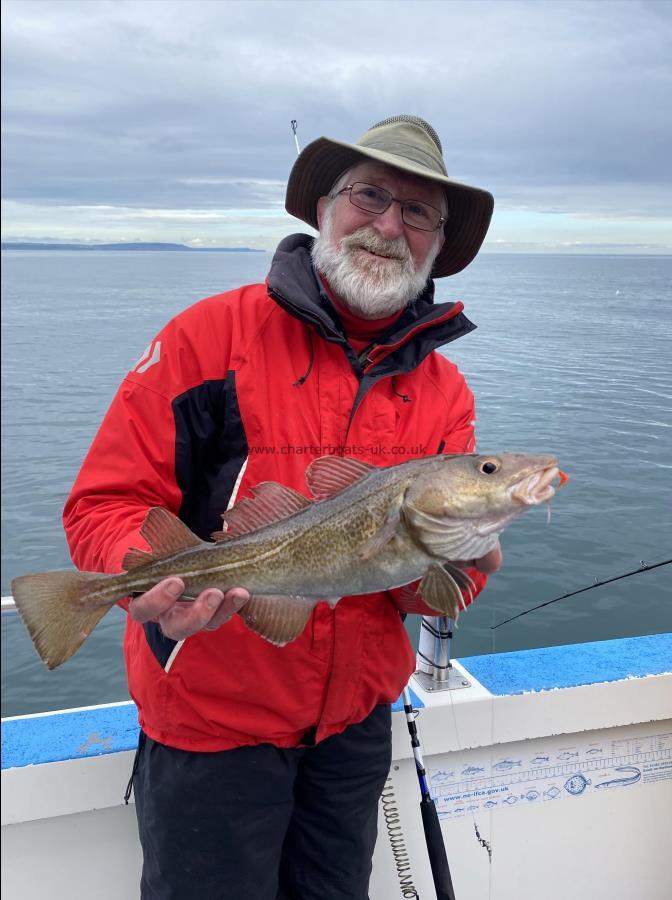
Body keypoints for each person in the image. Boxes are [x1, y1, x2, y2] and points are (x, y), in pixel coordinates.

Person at [63, 114, 500, 899]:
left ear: (438, 242)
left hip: (351, 733)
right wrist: (144, 581)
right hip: (209, 727)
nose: (387, 226)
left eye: (417, 213)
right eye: (370, 196)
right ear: (324, 207)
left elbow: (408, 584)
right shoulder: (206, 338)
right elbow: (105, 501)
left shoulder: (445, 393)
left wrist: (459, 562)